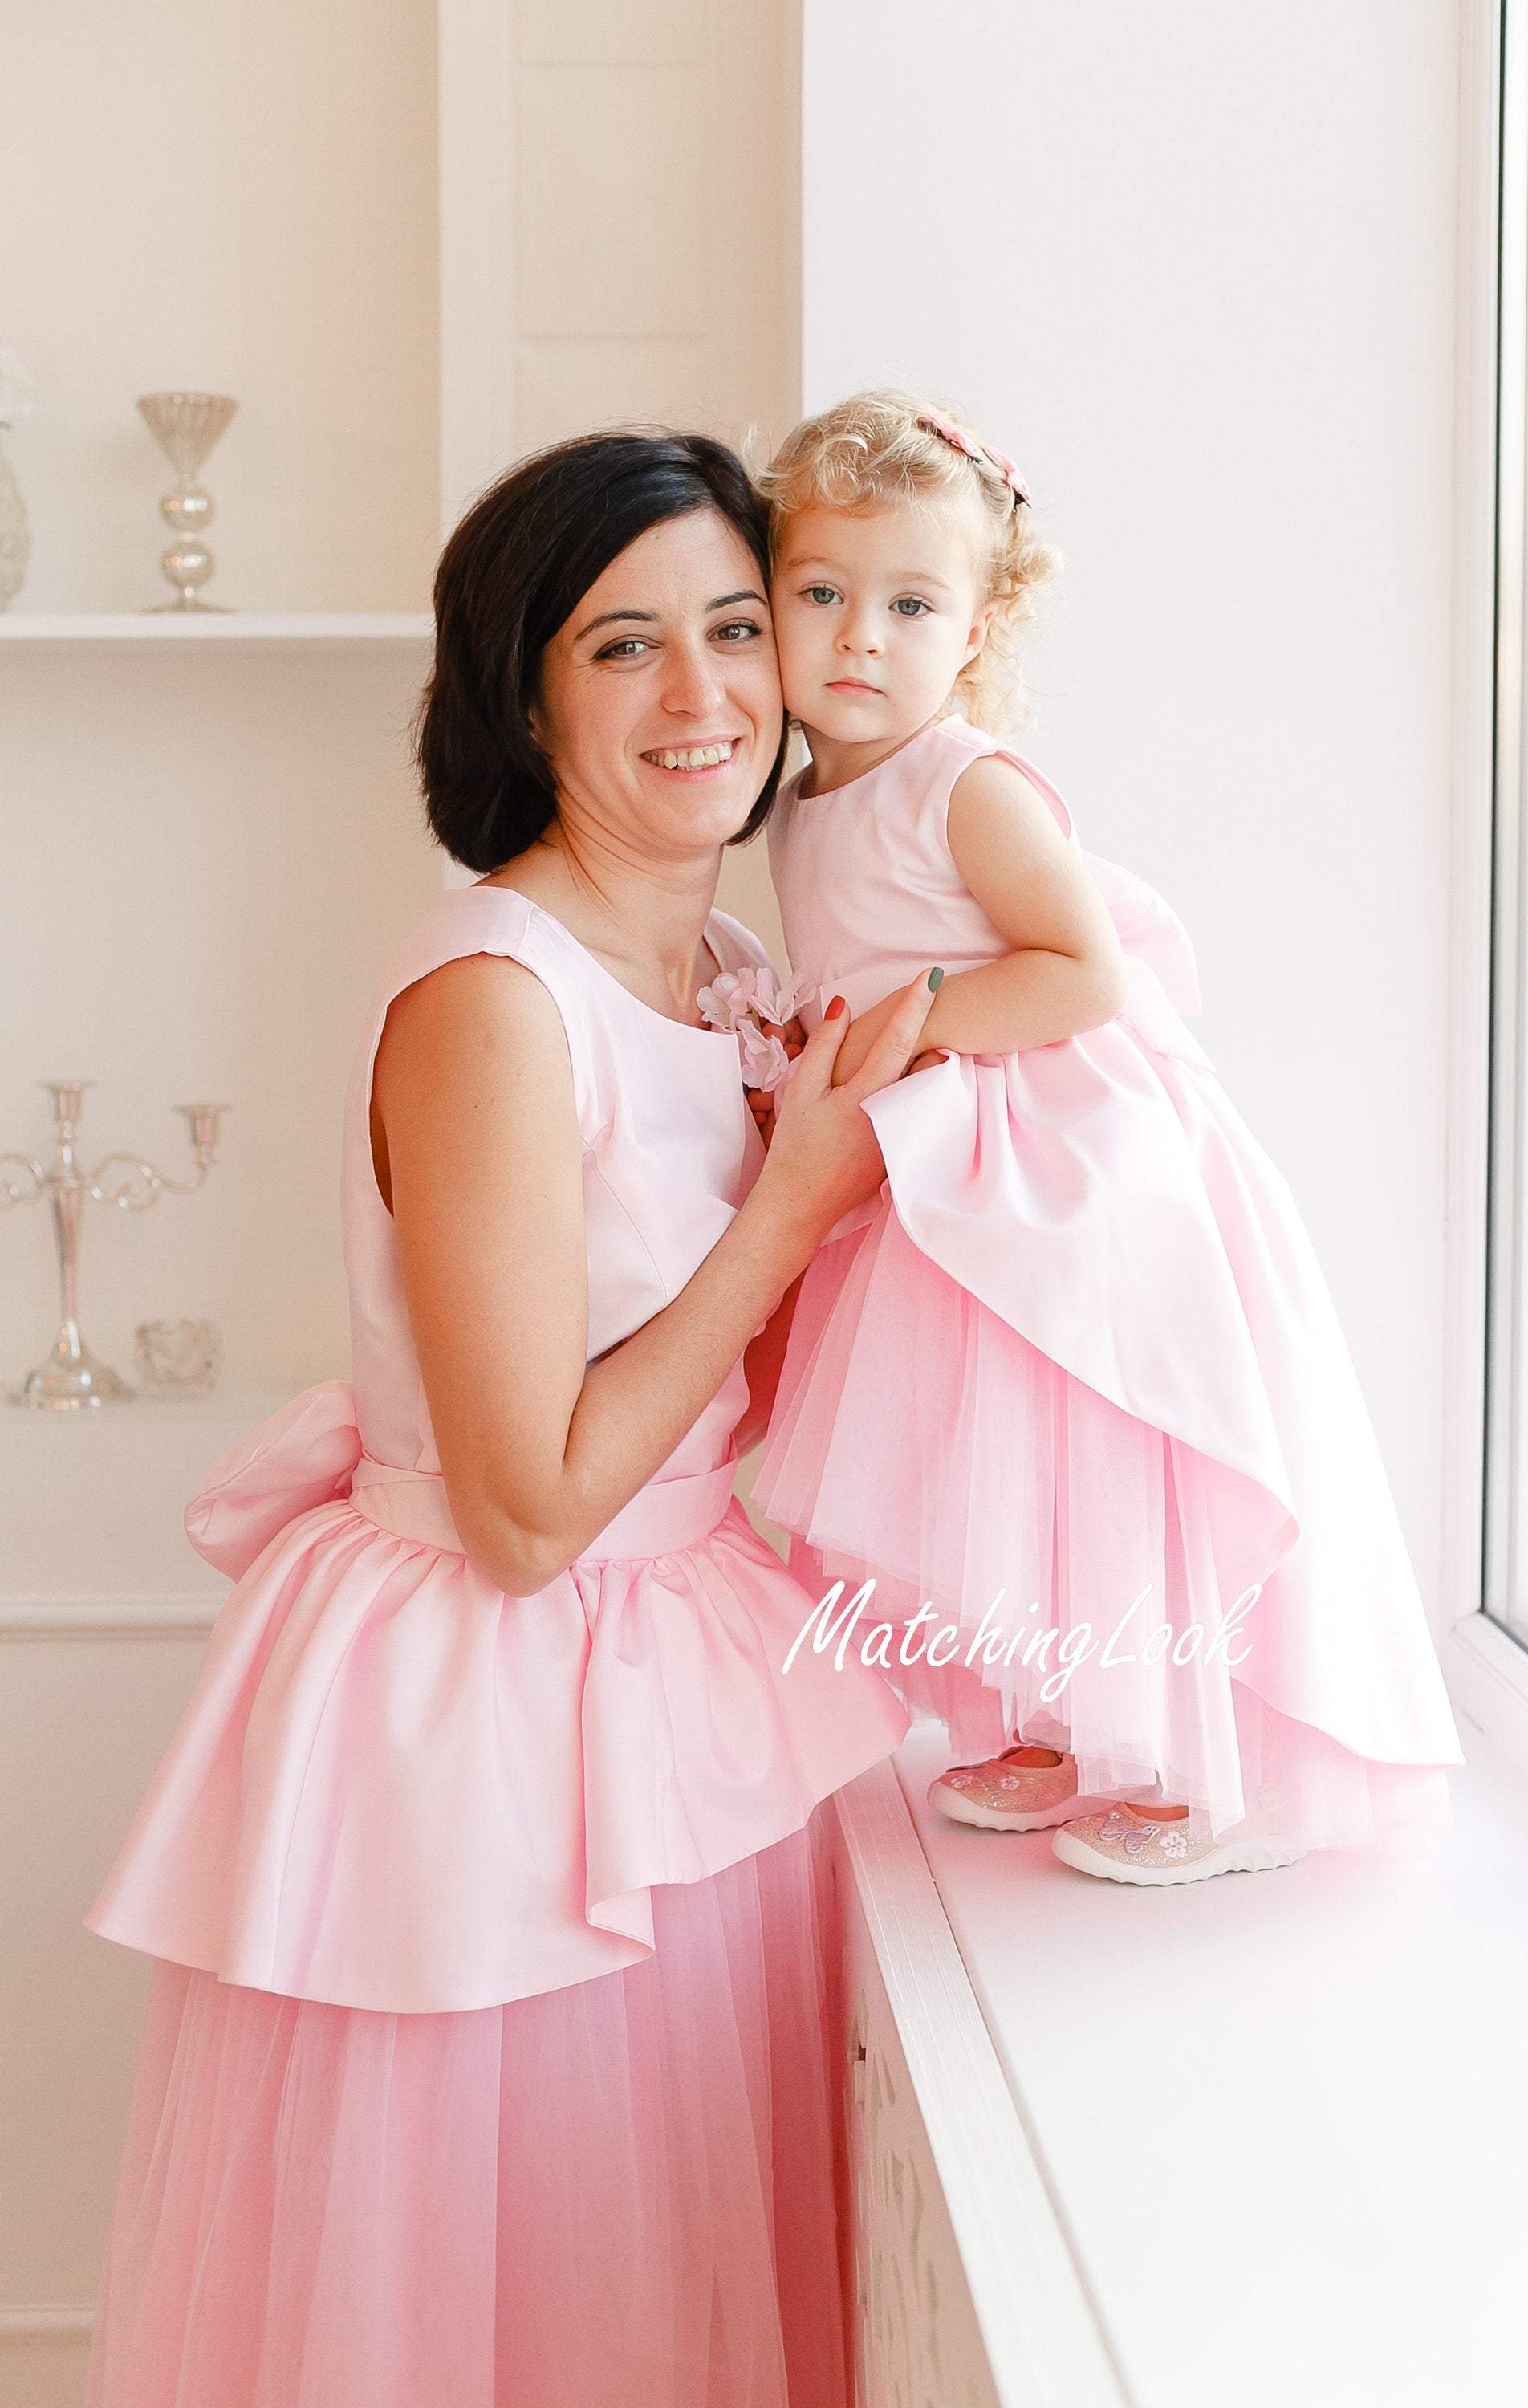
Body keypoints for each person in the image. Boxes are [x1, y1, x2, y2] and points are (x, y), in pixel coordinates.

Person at [82, 428, 938, 2405]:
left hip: (688, 1678)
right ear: (523, 690)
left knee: (687, 2283)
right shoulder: (492, 992)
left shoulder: (728, 970)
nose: (706, 692)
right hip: (488, 1717)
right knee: (513, 2301)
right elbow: (528, 1507)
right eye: (624, 645)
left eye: (739, 625)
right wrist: (793, 1200)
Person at [749, 388, 1465, 1887]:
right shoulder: (802, 803)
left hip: (1063, 1162)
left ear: (979, 627)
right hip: (940, 1173)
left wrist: (926, 1012)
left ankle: (1204, 1765)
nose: (859, 636)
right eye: (821, 593)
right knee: (995, 1459)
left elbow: (1083, 971)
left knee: (1097, 1445)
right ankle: (1059, 1722)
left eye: (909, 603)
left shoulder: (967, 787)